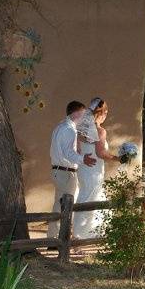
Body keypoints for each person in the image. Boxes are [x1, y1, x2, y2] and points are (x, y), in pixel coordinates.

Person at [73, 97, 121, 239]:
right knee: (90, 198)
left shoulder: (80, 130)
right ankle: (79, 235)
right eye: (106, 113)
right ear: (102, 113)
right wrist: (118, 158)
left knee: (85, 197)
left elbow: (77, 150)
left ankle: (85, 233)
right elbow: (101, 153)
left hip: (84, 168)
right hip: (94, 170)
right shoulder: (100, 131)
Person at [48, 101, 97, 238]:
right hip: (65, 172)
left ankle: (53, 238)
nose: (84, 117)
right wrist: (83, 159)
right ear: (75, 113)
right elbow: (68, 152)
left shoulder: (61, 127)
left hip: (59, 171)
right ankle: (61, 239)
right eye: (82, 113)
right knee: (66, 207)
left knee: (58, 206)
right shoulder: (69, 129)